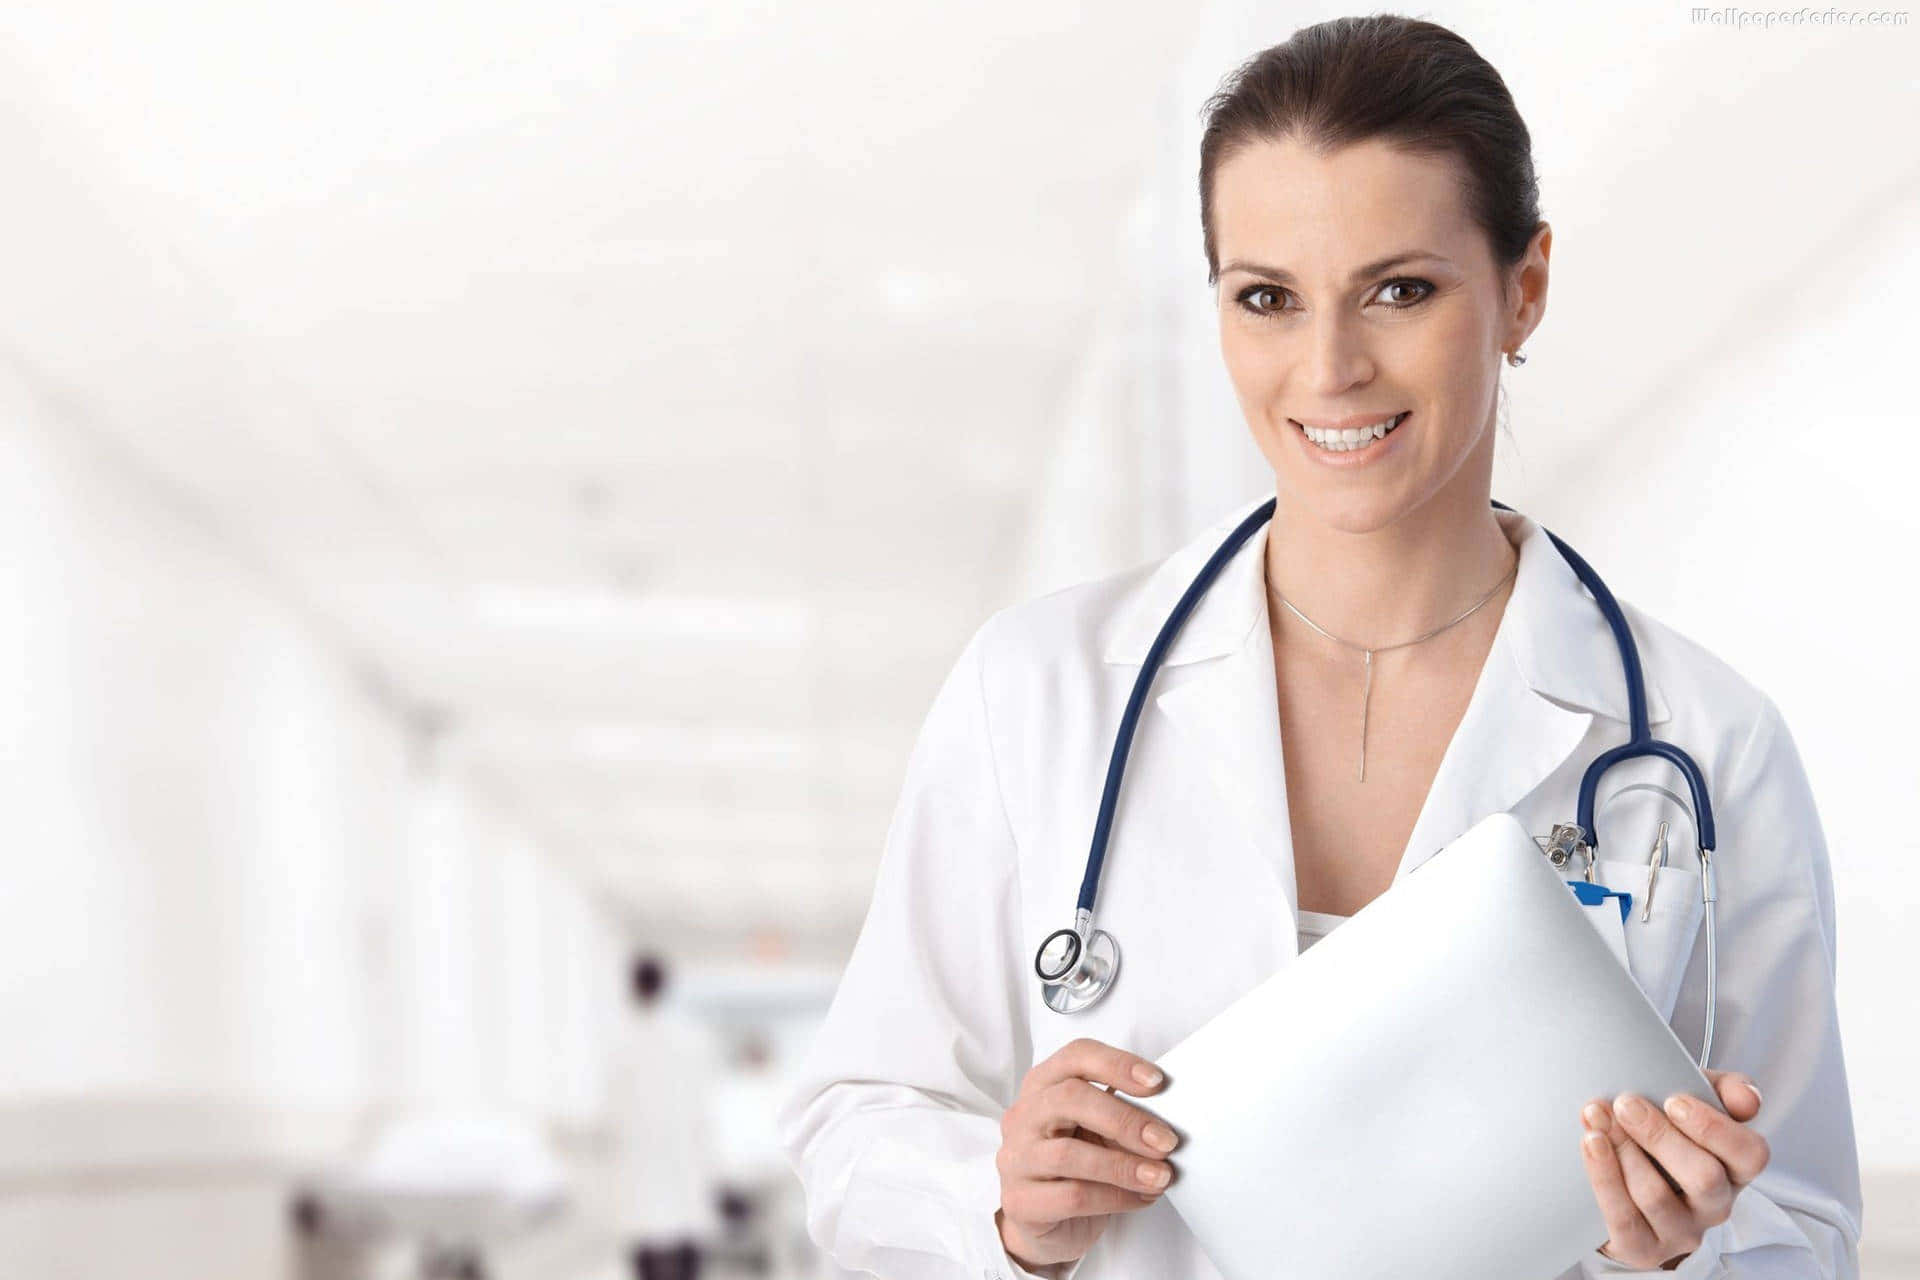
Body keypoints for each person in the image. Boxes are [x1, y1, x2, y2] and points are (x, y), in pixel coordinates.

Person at [776, 14, 1861, 1279]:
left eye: (1400, 289)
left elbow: (1806, 1230)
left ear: (1524, 288)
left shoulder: (1702, 744)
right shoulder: (1040, 692)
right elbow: (856, 1124)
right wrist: (1003, 1205)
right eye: (1268, 299)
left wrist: (1677, 1255)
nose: (1330, 367)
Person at [607, 953, 720, 1280]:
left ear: (632, 986)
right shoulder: (691, 1041)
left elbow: (613, 1113)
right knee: (685, 1239)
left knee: (646, 1241)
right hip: (683, 1161)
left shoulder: (620, 1045)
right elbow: (703, 1111)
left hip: (640, 1164)